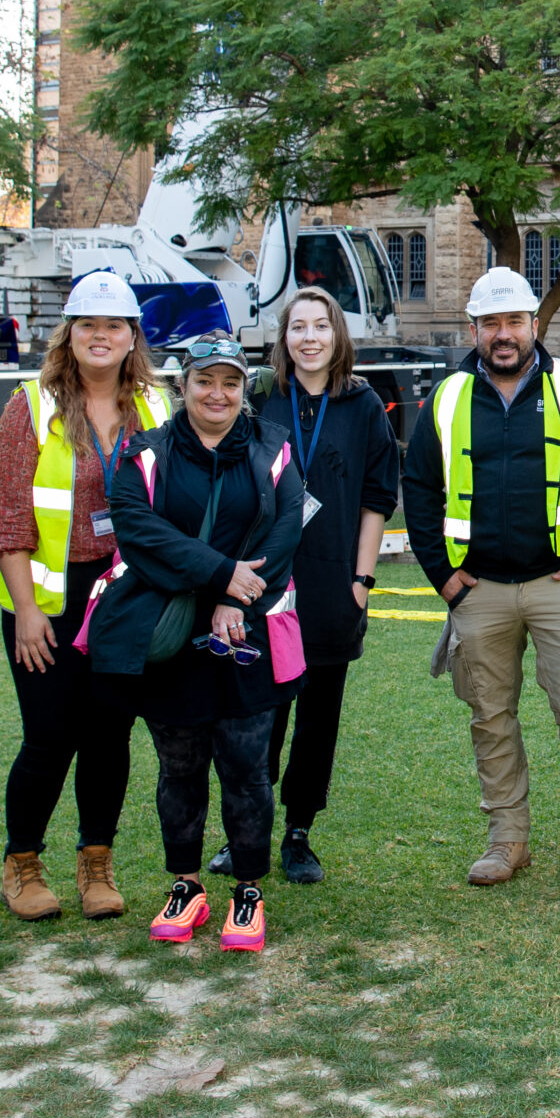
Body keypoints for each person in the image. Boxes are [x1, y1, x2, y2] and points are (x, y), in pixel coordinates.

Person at [403, 267, 560, 892]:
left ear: (536, 325)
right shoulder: (448, 398)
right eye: (490, 324)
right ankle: (507, 840)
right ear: (473, 329)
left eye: (513, 322)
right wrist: (444, 580)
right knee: (490, 718)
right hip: (478, 592)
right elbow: (420, 491)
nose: (502, 335)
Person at [86, 332, 305, 952]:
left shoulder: (274, 449)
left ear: (244, 389)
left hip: (244, 633)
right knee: (179, 768)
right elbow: (138, 531)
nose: (217, 393)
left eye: (230, 382)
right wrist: (217, 577)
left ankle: (248, 891)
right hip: (173, 640)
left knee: (246, 769)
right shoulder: (146, 453)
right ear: (182, 386)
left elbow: (287, 534)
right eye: (204, 381)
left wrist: (233, 598)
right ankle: (185, 884)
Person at [0, 269, 172, 923]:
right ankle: (23, 863)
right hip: (49, 601)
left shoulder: (156, 406)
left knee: (110, 733)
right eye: (87, 323)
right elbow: (5, 517)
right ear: (69, 332)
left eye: (113, 324)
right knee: (50, 734)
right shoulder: (30, 406)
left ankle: (97, 862)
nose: (100, 335)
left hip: (122, 599)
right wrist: (25, 610)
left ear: (131, 336)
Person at [248, 286, 399, 884]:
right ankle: (248, 828)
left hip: (332, 581)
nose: (308, 338)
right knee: (259, 714)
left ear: (338, 335)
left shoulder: (362, 406)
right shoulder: (261, 400)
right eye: (297, 327)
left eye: (320, 326)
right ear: (284, 338)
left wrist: (360, 580)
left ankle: (298, 831)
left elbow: (375, 500)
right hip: (262, 586)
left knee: (317, 716)